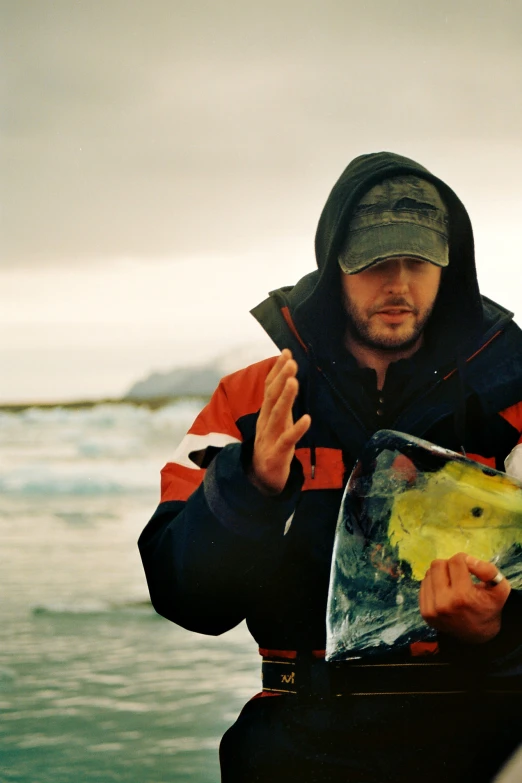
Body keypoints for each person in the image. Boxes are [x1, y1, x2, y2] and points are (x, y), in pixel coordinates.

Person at [138, 152, 522, 782]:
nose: (398, 284)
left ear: (449, 268)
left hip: (482, 734)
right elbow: (186, 601)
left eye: (418, 262)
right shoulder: (249, 404)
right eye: (374, 263)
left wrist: (496, 633)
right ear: (333, 265)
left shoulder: (513, 402)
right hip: (298, 736)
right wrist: (251, 489)